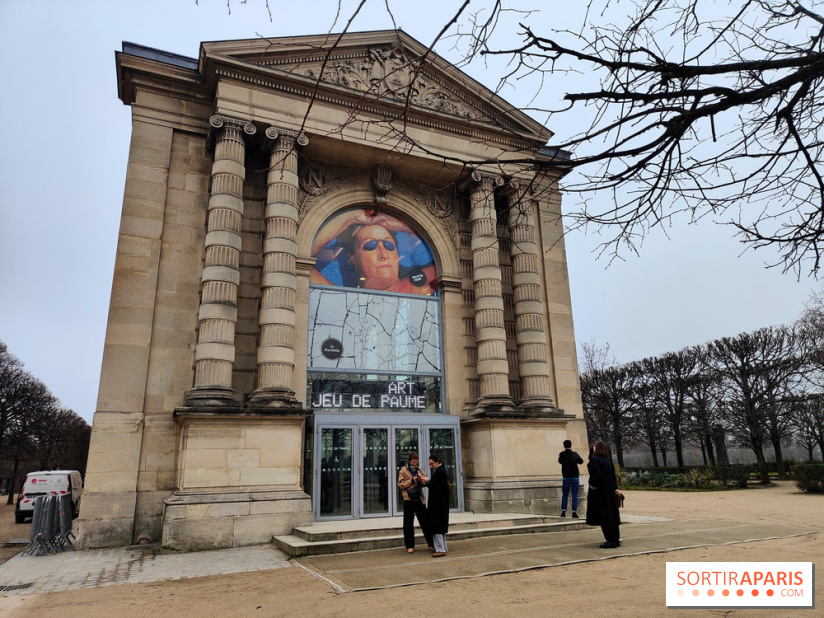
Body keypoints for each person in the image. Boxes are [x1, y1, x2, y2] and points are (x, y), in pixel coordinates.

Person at [310, 209, 436, 294]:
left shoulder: (415, 286)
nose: (383, 254)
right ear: (352, 256)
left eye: (389, 245)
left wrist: (406, 226)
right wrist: (351, 217)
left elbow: (447, 260)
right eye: (370, 245)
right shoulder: (343, 298)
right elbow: (300, 252)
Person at [585, 440, 622, 549]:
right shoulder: (608, 460)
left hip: (600, 493)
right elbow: (613, 476)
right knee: (612, 516)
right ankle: (615, 539)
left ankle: (610, 540)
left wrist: (592, 487)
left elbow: (595, 476)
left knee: (605, 517)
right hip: (610, 491)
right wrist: (616, 488)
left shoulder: (596, 460)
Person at [397, 452, 433, 553]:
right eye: (413, 462)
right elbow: (401, 484)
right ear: (409, 461)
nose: (415, 464)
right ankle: (409, 546)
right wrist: (412, 481)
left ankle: (431, 543)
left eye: (416, 462)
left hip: (418, 498)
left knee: (425, 521)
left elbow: (424, 483)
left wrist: (421, 480)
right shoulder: (403, 470)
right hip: (408, 499)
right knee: (408, 523)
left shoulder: (419, 469)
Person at [420, 453, 450, 557]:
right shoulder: (439, 470)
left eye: (432, 463)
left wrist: (428, 481)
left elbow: (440, 487)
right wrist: (428, 481)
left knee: (437, 526)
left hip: (438, 504)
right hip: (438, 503)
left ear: (437, 462)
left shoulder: (441, 471)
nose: (431, 466)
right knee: (438, 526)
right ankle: (442, 547)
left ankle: (440, 549)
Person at [558, 439, 584, 518]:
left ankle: (563, 511)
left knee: (565, 494)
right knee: (574, 495)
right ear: (571, 445)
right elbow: (581, 461)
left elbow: (560, 461)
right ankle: (574, 512)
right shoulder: (574, 454)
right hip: (574, 476)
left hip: (566, 477)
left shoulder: (562, 454)